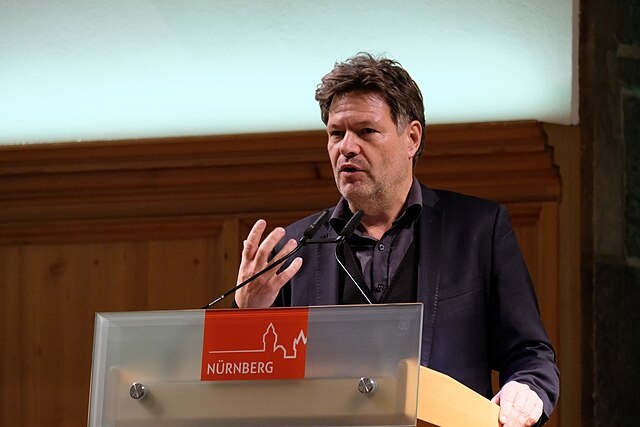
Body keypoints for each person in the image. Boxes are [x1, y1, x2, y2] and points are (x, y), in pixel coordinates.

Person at [234, 53, 559, 427]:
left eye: (366, 131)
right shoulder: (293, 249)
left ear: (412, 139)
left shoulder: (478, 230)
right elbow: (248, 382)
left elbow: (530, 354)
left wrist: (526, 388)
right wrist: (247, 315)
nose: (346, 147)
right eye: (336, 134)